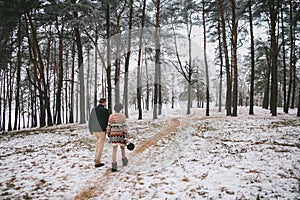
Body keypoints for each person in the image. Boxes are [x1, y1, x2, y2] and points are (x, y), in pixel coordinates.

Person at [106, 103, 128, 172]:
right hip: (121, 134)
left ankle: (114, 165)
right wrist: (126, 135)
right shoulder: (123, 116)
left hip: (113, 134)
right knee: (122, 148)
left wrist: (108, 133)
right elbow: (125, 127)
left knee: (114, 149)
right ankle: (124, 160)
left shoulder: (111, 116)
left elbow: (109, 126)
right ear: (120, 109)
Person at [88, 98, 109, 168]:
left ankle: (96, 157)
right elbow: (106, 121)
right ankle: (97, 161)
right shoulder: (105, 111)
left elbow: (90, 120)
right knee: (100, 146)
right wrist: (106, 129)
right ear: (104, 102)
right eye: (105, 102)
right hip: (101, 131)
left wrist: (90, 129)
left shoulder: (93, 109)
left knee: (98, 144)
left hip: (94, 130)